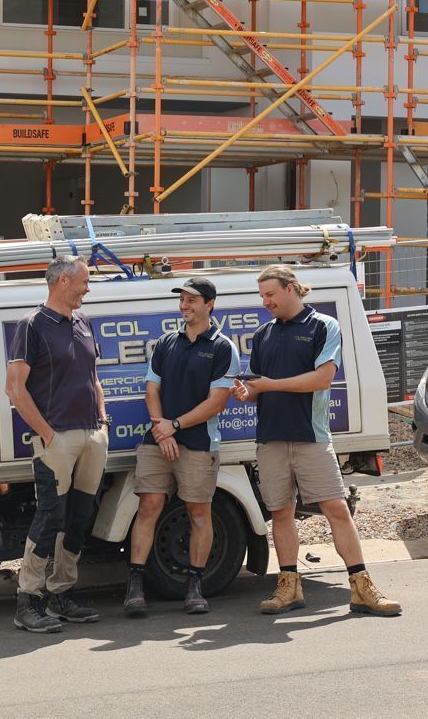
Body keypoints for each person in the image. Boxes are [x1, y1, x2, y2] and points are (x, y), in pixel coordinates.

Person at [233, 264, 401, 617]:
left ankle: (362, 588)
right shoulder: (263, 334)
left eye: (270, 294)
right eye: (262, 295)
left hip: (311, 436)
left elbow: (322, 379)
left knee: (336, 510)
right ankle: (289, 587)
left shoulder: (324, 326)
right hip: (270, 438)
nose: (265, 302)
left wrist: (268, 386)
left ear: (292, 289)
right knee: (281, 514)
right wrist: (246, 393)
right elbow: (257, 385)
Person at [5, 255, 109, 633]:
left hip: (91, 434)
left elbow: (93, 375)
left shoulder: (83, 322)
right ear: (63, 281)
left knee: (79, 517)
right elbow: (14, 388)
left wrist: (102, 420)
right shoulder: (31, 325)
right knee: (51, 516)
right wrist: (47, 434)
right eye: (84, 281)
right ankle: (28, 601)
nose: (87, 288)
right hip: (56, 439)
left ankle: (61, 594)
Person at [125, 277, 240, 616]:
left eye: (192, 300)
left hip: (199, 443)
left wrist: (174, 426)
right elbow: (151, 390)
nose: (184, 305)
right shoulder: (166, 343)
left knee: (199, 514)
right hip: (158, 440)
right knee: (148, 507)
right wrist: (163, 431)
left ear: (209, 304)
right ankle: (135, 588)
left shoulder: (222, 347)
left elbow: (217, 402)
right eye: (182, 300)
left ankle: (194, 587)